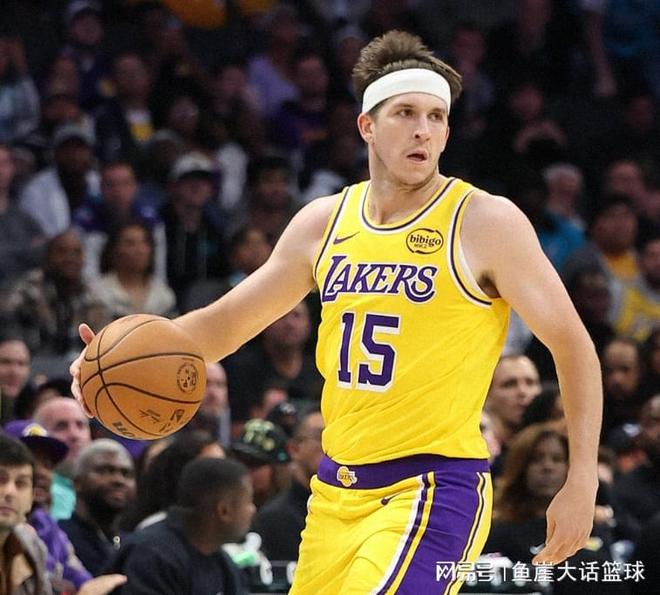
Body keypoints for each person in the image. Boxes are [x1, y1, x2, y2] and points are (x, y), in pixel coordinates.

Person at [72, 31, 602, 592]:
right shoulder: (323, 222)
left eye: (436, 117)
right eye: (405, 113)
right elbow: (224, 324)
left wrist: (582, 478)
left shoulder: (484, 221)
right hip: (334, 494)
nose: (423, 130)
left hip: (431, 490)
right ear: (367, 126)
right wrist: (114, 357)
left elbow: (573, 344)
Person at [0, 434, 128, 595]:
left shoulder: (32, 545)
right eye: (1, 480)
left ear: (31, 495)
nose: (10, 492)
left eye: (21, 483)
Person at [107, 457, 253, 595]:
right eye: (249, 501)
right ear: (224, 510)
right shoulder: (153, 556)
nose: (253, 510)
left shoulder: (219, 560)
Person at [58, 440, 135, 576]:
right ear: (77, 483)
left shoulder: (133, 543)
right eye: (106, 471)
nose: (119, 480)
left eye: (126, 474)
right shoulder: (59, 537)